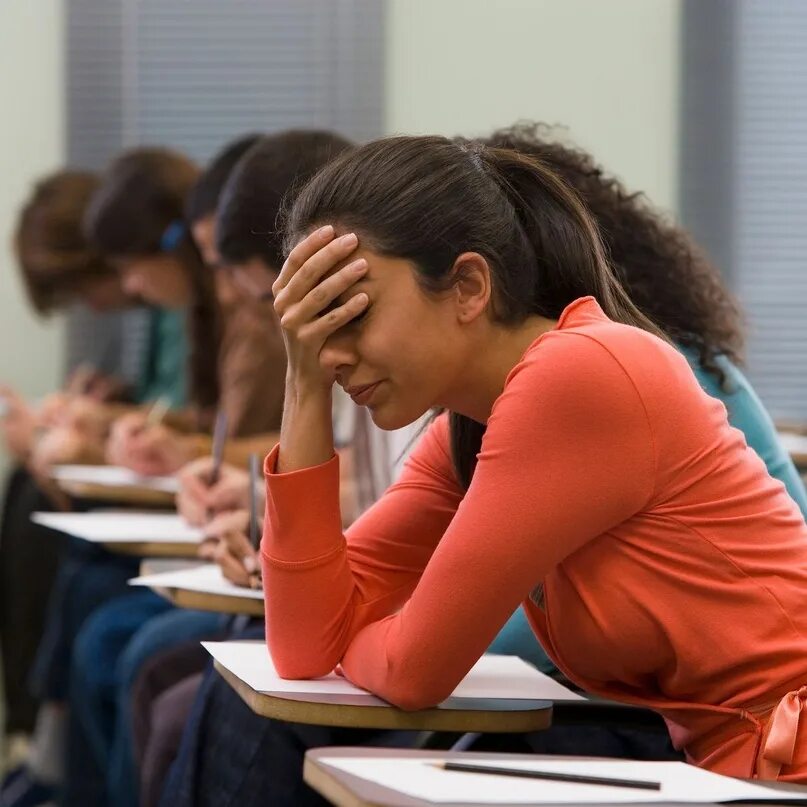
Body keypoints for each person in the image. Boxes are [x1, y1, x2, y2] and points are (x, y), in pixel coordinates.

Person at [260, 134, 807, 784]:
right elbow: (302, 647)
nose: (331, 354)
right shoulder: (468, 431)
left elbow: (410, 669)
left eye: (352, 313)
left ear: (467, 286)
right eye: (314, 330)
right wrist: (301, 388)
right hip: (731, 770)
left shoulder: (579, 372)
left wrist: (356, 635)